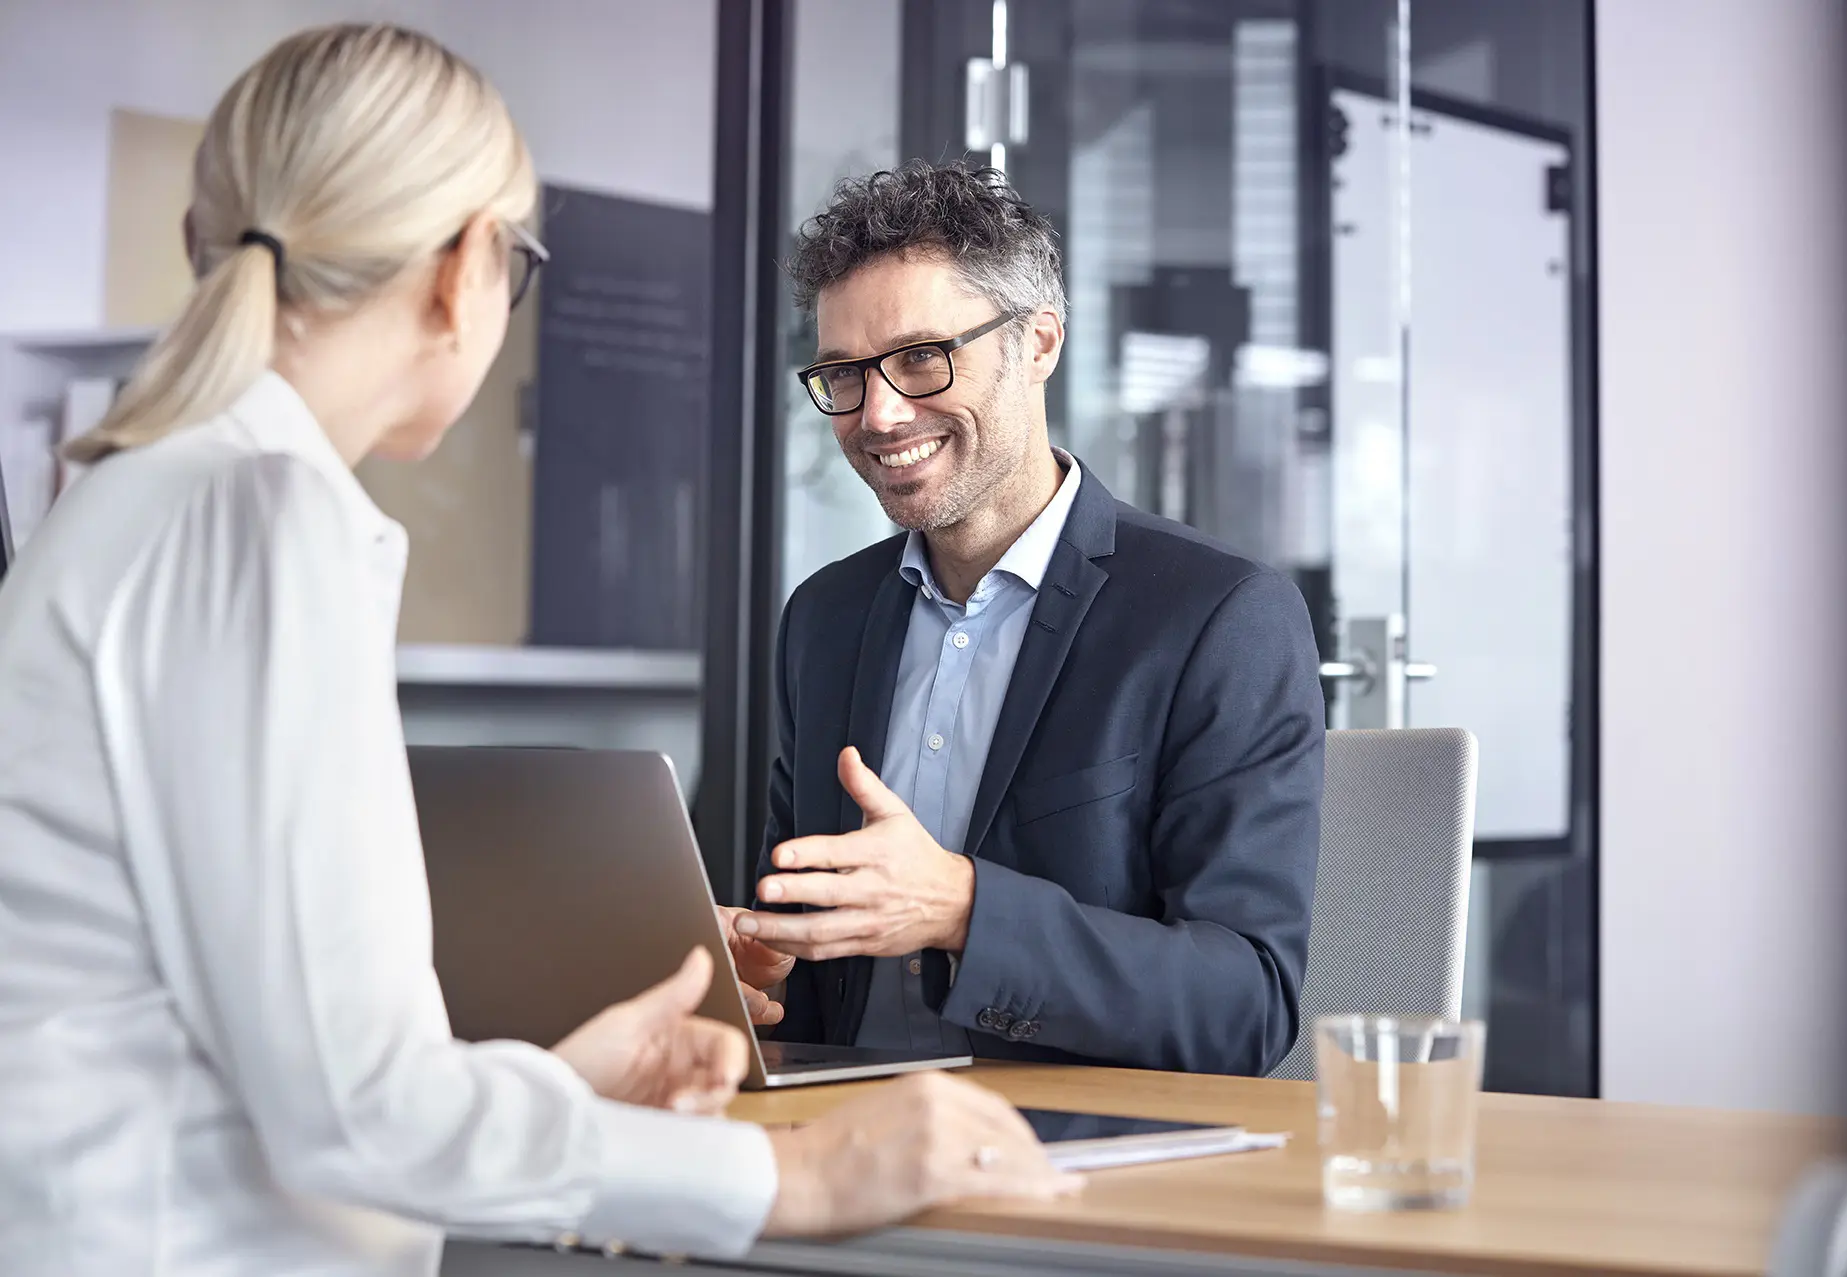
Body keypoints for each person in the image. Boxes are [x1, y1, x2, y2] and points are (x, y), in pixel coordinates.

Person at [0, 27, 1074, 1277]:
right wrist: (792, 1172)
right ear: (467, 268)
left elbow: (261, 1046)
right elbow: (351, 1108)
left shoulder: (145, 499)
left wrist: (550, 1090)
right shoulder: (259, 518)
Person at [721, 160, 1325, 1077]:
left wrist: (964, 911)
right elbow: (814, 949)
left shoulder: (1219, 617)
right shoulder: (826, 618)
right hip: (837, 1135)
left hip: (1076, 1162)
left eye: (923, 358)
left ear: (1038, 342)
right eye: (844, 372)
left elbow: (1244, 1003)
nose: (879, 415)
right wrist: (759, 965)